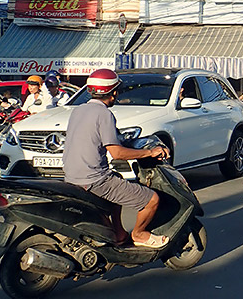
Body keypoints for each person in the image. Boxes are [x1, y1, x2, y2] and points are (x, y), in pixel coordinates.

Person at [62, 69, 170, 248]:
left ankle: (118, 233)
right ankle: (140, 234)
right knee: (152, 200)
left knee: (118, 179)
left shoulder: (78, 110)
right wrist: (150, 153)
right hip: (95, 179)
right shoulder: (104, 114)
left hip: (71, 176)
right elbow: (117, 153)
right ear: (113, 93)